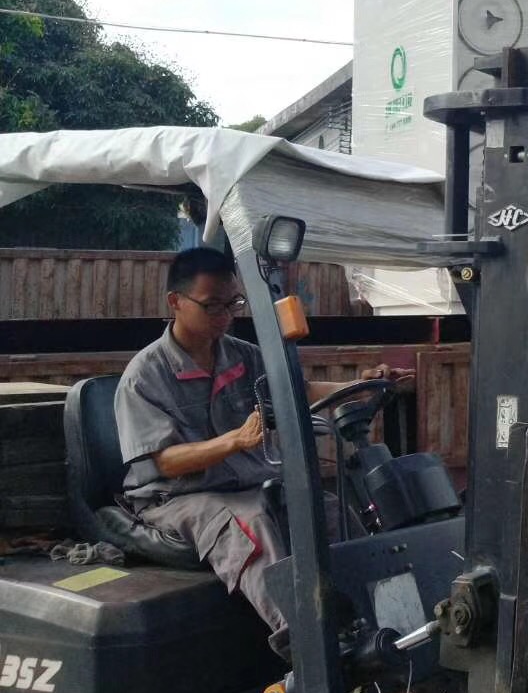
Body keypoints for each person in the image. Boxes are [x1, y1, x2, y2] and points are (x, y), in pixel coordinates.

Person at [114, 247, 412, 659]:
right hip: (175, 498)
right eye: (212, 305)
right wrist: (233, 442)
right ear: (175, 303)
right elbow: (164, 461)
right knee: (250, 523)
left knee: (326, 508)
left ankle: (384, 623)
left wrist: (362, 385)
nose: (224, 315)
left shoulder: (243, 355)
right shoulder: (145, 375)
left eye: (232, 303)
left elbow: (301, 394)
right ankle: (309, 651)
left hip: (249, 484)